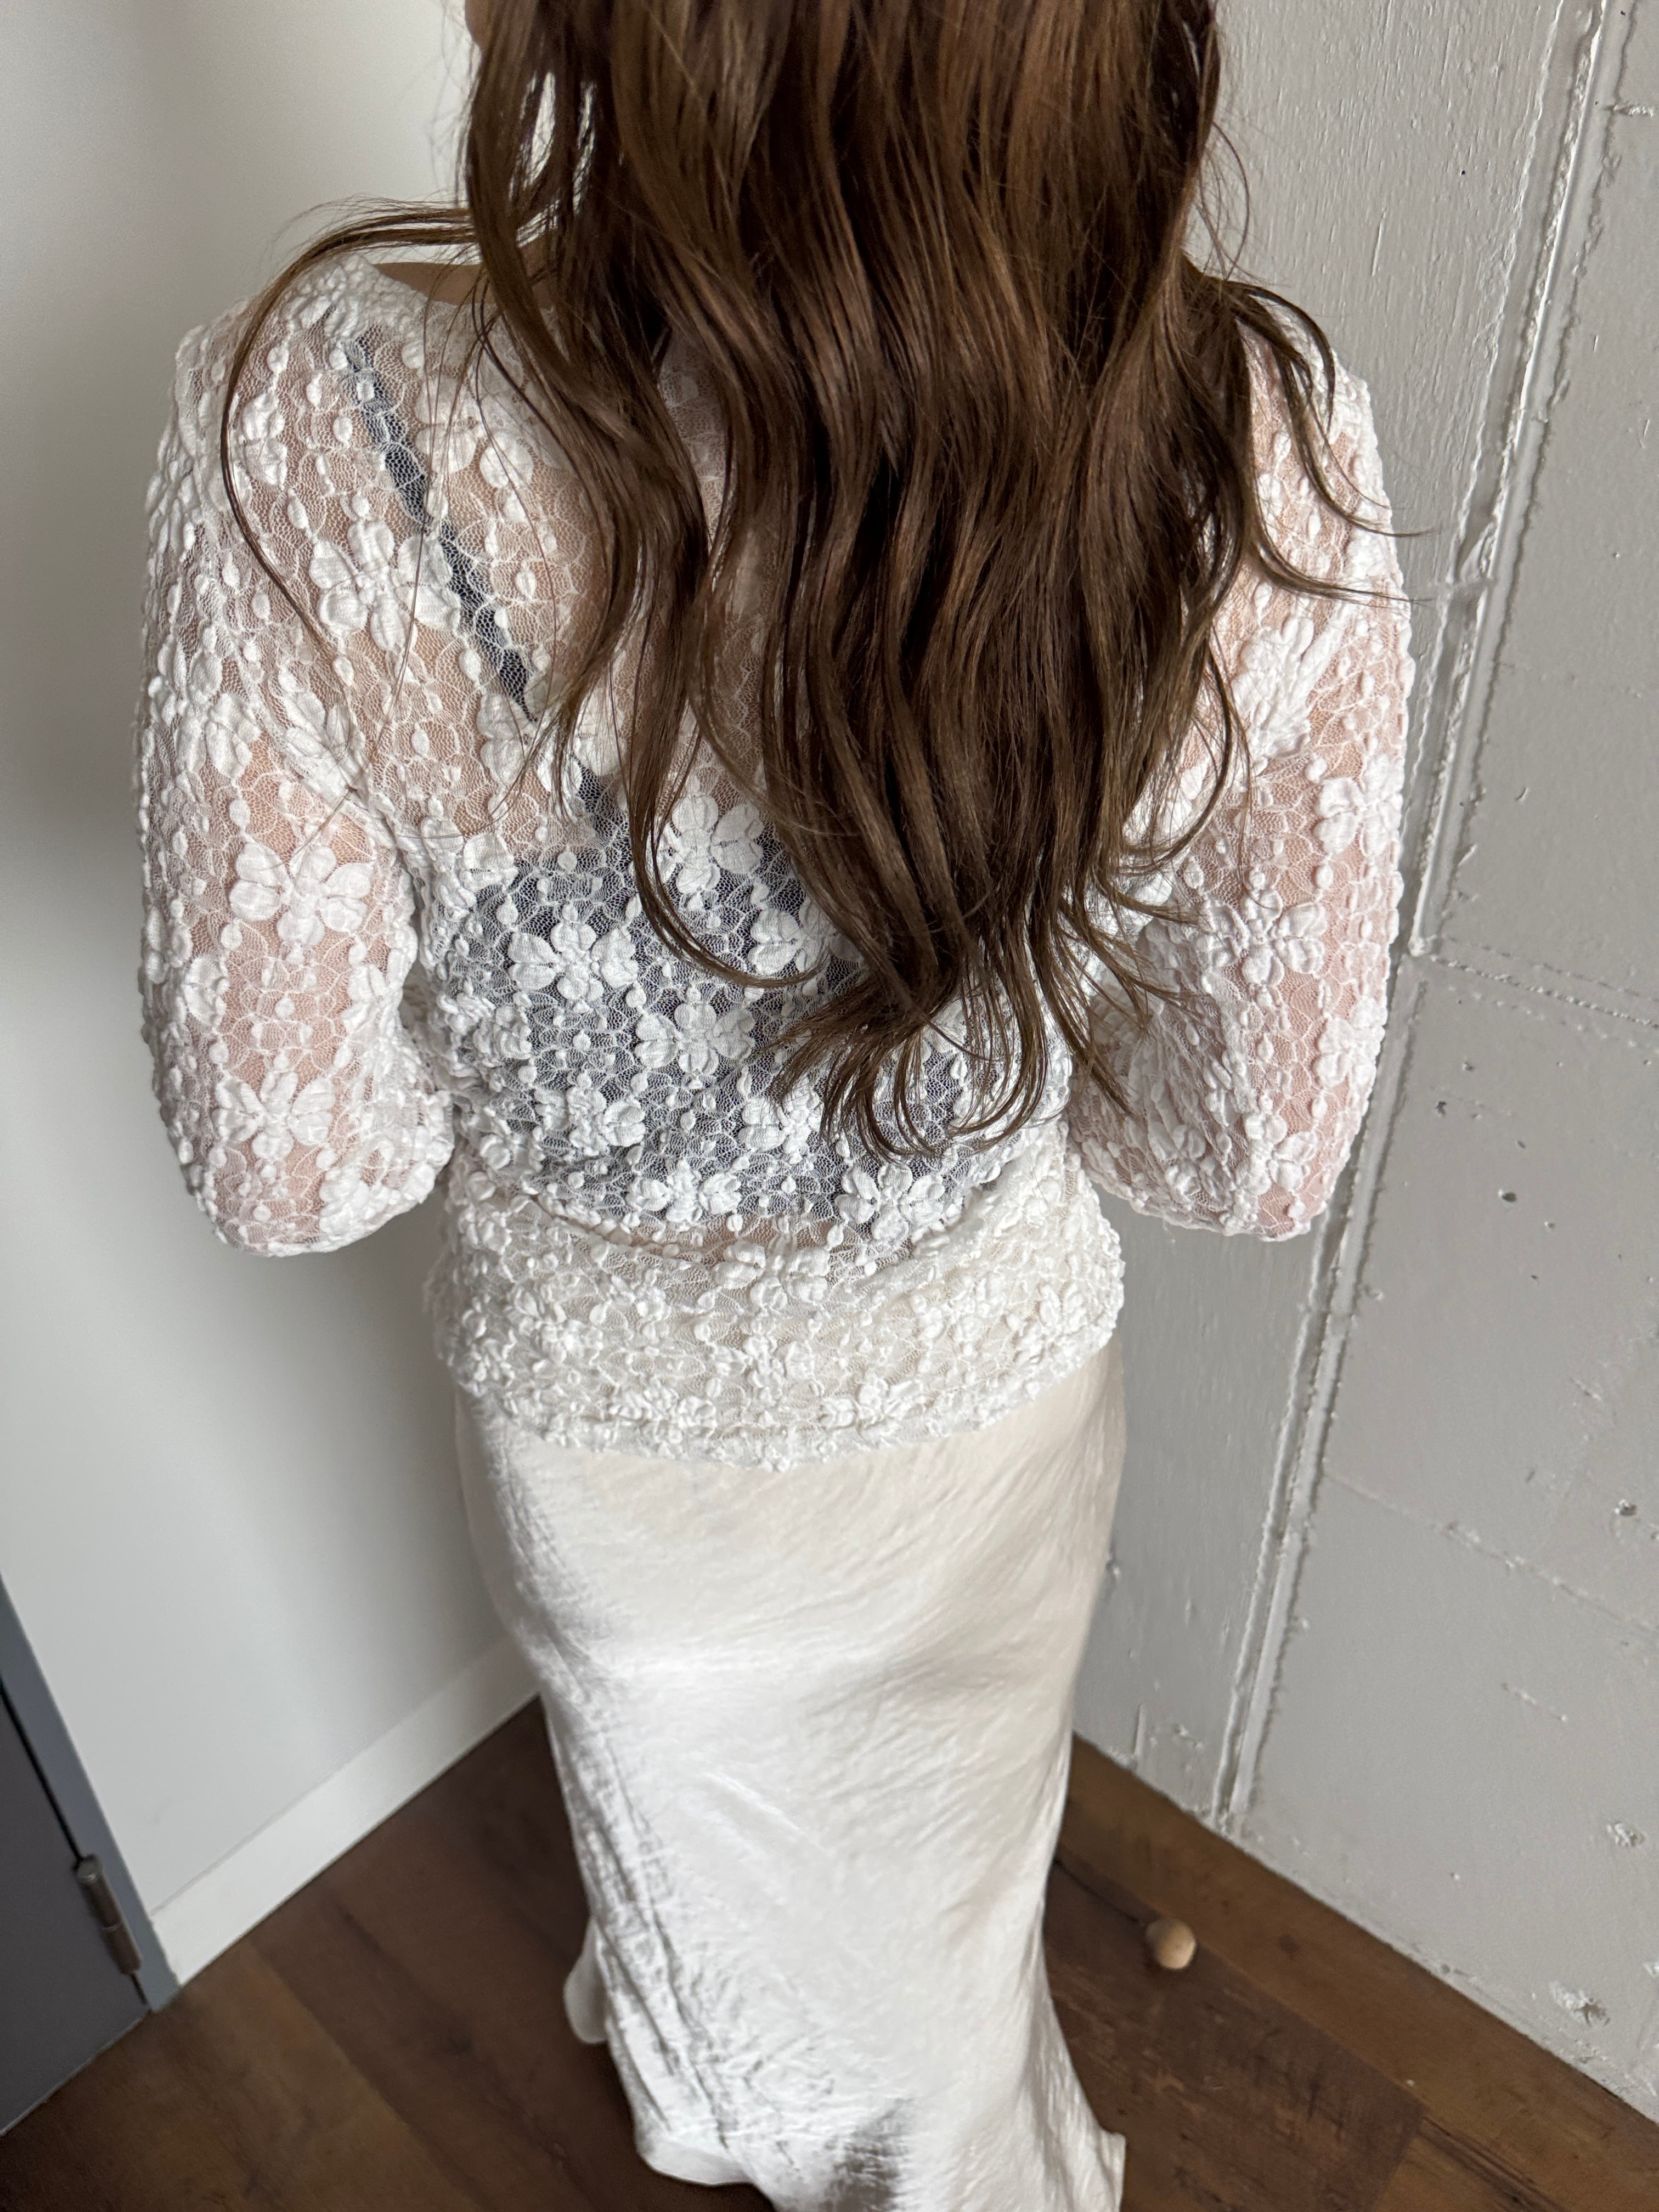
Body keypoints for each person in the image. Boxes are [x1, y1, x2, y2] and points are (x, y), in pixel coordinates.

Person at [133, 2, 1412, 2204]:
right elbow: (1246, 1154)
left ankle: (752, 2091)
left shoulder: (317, 421)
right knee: (929, 1936)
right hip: (983, 1434)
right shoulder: (1244, 446)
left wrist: (562, 1020)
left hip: (615, 1478)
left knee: (723, 1891)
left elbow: (296, 1165)